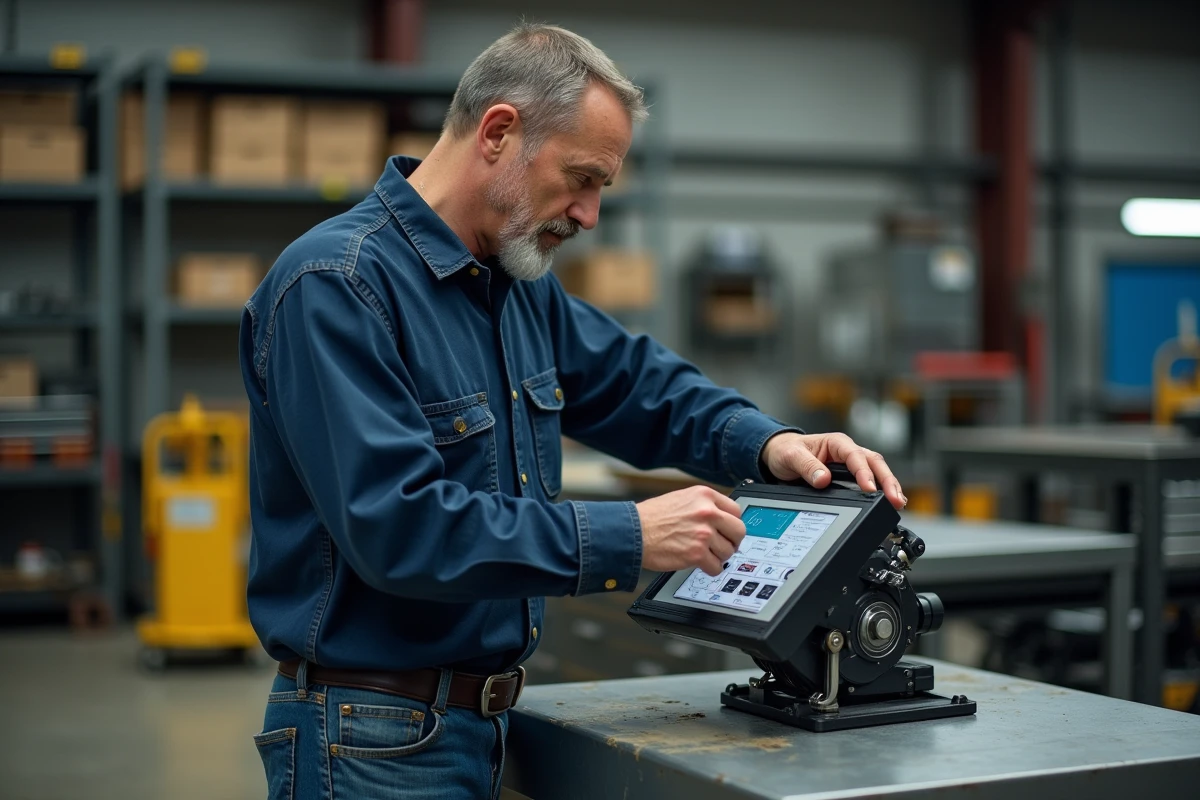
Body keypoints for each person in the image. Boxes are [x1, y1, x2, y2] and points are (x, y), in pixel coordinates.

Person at [238, 22, 906, 800]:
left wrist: (770, 445)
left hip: (476, 728)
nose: (588, 216)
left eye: (602, 190)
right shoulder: (338, 285)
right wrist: (633, 535)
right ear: (498, 133)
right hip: (368, 738)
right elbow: (400, 529)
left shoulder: (515, 285)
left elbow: (636, 385)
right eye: (581, 179)